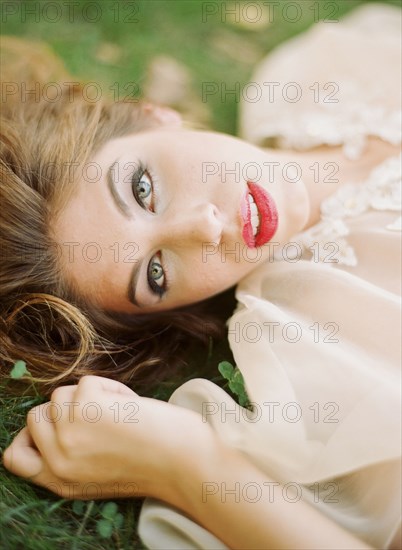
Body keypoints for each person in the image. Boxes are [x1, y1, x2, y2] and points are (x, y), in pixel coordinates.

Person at [1, 3, 401, 549]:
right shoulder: (321, 342)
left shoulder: (308, 79)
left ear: (152, 113)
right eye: (157, 273)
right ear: (175, 312)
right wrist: (185, 463)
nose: (205, 228)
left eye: (142, 189)